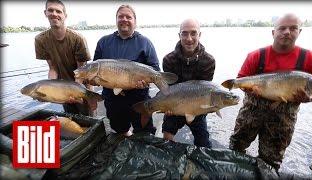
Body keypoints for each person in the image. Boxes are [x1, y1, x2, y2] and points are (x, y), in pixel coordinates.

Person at [229, 13, 312, 171]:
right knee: (236, 147)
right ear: (273, 32)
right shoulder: (256, 55)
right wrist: (251, 90)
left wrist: (309, 99)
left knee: (271, 162)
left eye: (293, 28)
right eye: (282, 28)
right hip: (251, 112)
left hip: (283, 120)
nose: (287, 32)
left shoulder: (311, 58)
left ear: (300, 32)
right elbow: (240, 81)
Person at [93, 5, 159, 136]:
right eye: (120, 16)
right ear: (116, 20)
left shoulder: (145, 43)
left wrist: (145, 82)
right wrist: (94, 81)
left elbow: (155, 70)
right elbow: (95, 70)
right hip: (113, 99)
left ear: (135, 21)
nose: (124, 19)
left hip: (139, 97)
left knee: (144, 132)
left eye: (128, 17)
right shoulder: (103, 42)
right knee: (120, 129)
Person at [35, 0, 96, 116]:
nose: (54, 13)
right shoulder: (40, 40)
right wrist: (51, 89)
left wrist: (73, 92)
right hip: (62, 86)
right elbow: (52, 68)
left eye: (58, 11)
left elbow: (81, 73)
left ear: (65, 15)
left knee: (89, 121)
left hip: (82, 86)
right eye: (50, 10)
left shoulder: (78, 39)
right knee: (71, 117)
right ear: (45, 13)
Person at [162, 19, 216, 148]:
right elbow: (169, 90)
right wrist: (167, 106)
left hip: (197, 108)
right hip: (175, 106)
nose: (189, 38)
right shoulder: (168, 60)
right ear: (179, 35)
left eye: (193, 33)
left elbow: (206, 90)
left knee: (204, 144)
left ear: (199, 35)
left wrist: (209, 107)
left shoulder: (209, 61)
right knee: (167, 137)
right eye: (184, 33)